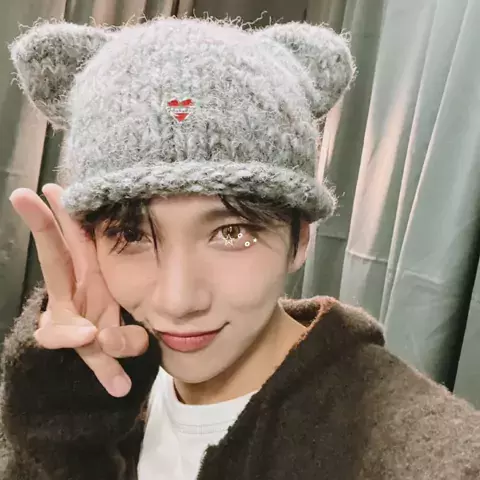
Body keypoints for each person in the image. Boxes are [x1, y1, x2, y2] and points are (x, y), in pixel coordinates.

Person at [0, 16, 479, 480]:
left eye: (232, 233)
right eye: (132, 235)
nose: (178, 301)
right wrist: (61, 434)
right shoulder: (100, 383)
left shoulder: (419, 451)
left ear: (300, 238)